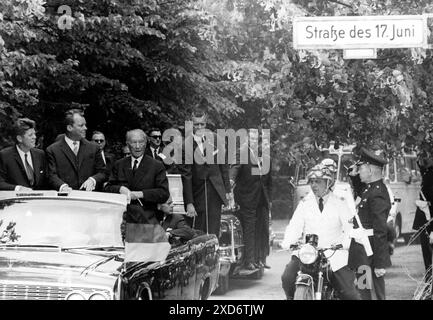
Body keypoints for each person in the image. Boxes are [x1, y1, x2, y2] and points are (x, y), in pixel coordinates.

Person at [280, 164, 359, 300]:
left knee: (348, 293)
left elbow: (349, 228)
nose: (314, 185)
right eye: (312, 182)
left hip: (333, 253)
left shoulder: (340, 203)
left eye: (318, 182)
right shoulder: (305, 203)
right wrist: (288, 242)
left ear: (328, 183)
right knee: (287, 278)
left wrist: (345, 243)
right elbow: (295, 226)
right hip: (308, 253)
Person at [348, 147, 391, 300]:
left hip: (370, 252)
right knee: (364, 290)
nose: (359, 171)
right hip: (364, 253)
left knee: (374, 294)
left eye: (361, 168)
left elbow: (380, 230)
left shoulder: (377, 193)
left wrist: (380, 263)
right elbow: (362, 192)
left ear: (371, 171)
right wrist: (353, 177)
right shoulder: (370, 189)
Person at [180, 110, 231, 236]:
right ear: (191, 124)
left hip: (215, 191)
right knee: (199, 231)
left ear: (206, 123)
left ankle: (214, 253)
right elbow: (186, 176)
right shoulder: (185, 145)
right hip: (198, 193)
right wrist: (189, 203)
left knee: (214, 230)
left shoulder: (215, 139)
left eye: (202, 124)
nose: (199, 127)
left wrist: (228, 192)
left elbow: (223, 167)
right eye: (196, 124)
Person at [105, 129, 170, 222]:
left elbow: (163, 193)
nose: (137, 146)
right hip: (122, 219)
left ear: (146, 143)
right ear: (128, 144)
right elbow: (108, 188)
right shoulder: (119, 164)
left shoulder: (156, 165)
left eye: (141, 142)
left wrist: (141, 194)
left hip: (147, 219)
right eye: (134, 142)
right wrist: (120, 189)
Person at [230, 130, 272, 270]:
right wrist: (230, 180)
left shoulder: (259, 154)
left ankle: (259, 259)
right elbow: (235, 168)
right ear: (247, 138)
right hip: (246, 198)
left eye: (256, 139)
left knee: (260, 229)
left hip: (260, 198)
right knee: (249, 230)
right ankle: (248, 261)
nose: (254, 141)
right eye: (252, 138)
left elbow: (265, 178)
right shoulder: (242, 152)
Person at [46, 109, 107, 192]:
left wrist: (92, 180)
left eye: (85, 125)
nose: (85, 128)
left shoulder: (94, 148)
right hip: (64, 200)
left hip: (90, 199)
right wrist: (62, 187)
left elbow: (103, 172)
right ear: (69, 127)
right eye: (81, 125)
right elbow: (51, 175)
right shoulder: (53, 150)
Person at [0, 118, 47, 191]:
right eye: (30, 135)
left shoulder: (40, 154)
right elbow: (1, 182)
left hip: (38, 200)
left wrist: (62, 186)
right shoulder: (5, 156)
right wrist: (18, 188)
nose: (34, 137)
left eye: (34, 134)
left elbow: (47, 178)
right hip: (16, 200)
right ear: (19, 138)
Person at [413, 152, 433, 283]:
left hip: (430, 221)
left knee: (429, 257)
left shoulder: (430, 174)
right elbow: (422, 167)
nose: (423, 159)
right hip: (425, 220)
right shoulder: (427, 172)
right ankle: (429, 284)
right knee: (427, 258)